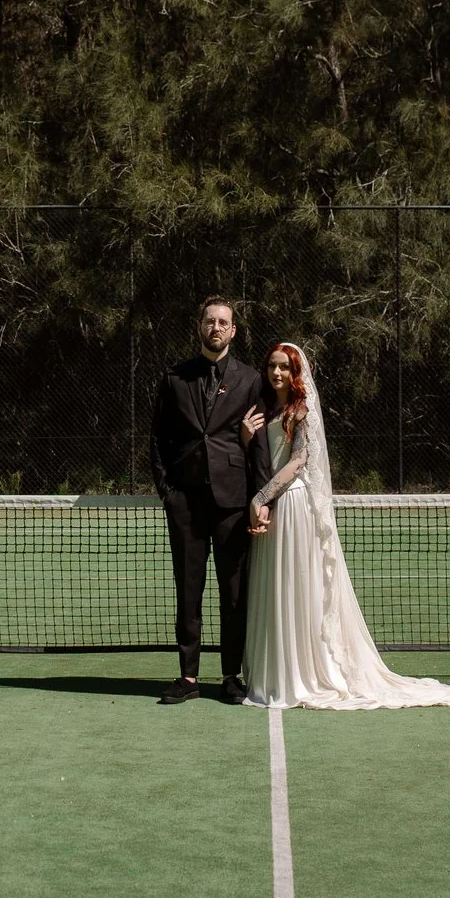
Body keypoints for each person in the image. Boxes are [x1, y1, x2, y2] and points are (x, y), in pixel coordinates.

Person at [241, 342, 450, 710]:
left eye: (284, 368)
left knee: (297, 585)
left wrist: (261, 498)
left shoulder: (302, 410)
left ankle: (305, 674)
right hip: (274, 506)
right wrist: (249, 443)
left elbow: (297, 463)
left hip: (293, 505)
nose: (276, 374)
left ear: (296, 373)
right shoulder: (269, 409)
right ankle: (277, 673)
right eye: (272, 367)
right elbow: (264, 456)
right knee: (277, 585)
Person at [149, 296, 271, 705]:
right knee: (189, 590)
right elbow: (158, 440)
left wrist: (261, 497)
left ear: (233, 331)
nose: (216, 327)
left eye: (223, 322)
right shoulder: (174, 378)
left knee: (234, 594)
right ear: (199, 326)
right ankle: (187, 677)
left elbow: (260, 448)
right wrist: (167, 491)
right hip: (185, 503)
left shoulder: (251, 379)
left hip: (233, 503)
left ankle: (231, 676)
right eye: (210, 321)